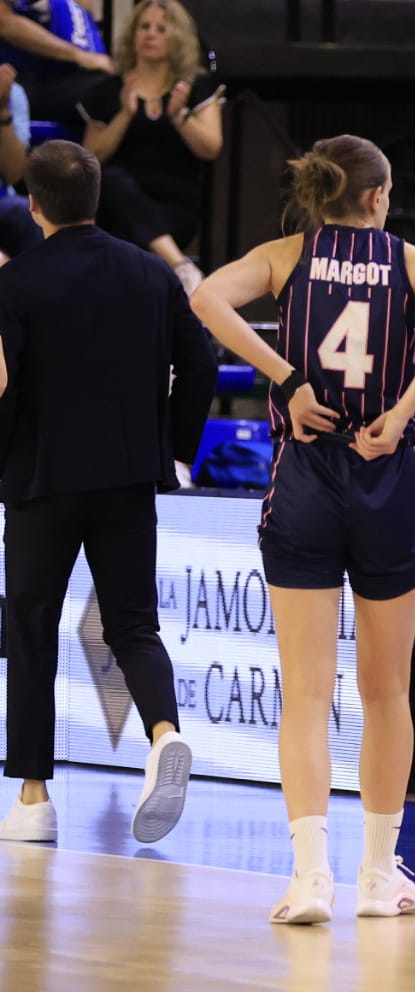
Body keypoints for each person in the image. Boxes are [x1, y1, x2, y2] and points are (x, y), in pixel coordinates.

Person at [190, 134, 415, 924]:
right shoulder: (409, 262)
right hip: (385, 474)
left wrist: (284, 380)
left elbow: (206, 296)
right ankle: (378, 874)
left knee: (307, 694)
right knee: (386, 690)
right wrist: (403, 409)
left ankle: (309, 876)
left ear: (320, 195)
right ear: (380, 197)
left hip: (308, 477)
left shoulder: (288, 255)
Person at [0, 140, 216, 845]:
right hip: (128, 477)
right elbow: (203, 355)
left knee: (32, 629)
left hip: (40, 480)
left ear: (33, 206)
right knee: (132, 623)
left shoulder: (18, 282)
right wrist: (177, 448)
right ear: (97, 199)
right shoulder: (151, 274)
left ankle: (33, 800)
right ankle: (161, 734)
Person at [82, 0, 222, 293]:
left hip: (174, 207)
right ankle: (181, 268)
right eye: (144, 26)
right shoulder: (110, 90)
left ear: (179, 38)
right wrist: (124, 114)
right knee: (111, 179)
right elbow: (91, 158)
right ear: (132, 34)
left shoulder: (194, 88)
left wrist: (179, 116)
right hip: (116, 202)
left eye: (161, 28)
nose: (150, 34)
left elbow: (211, 148)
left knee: (124, 240)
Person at [0, 1, 112, 126]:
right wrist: (81, 56)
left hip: (61, 75)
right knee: (105, 93)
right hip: (15, 78)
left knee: (112, 87)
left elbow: (83, 11)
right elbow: (4, 23)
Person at [0, 61, 42, 262]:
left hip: (4, 205)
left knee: (27, 212)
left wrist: (1, 112)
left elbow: (16, 175)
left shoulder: (11, 92)